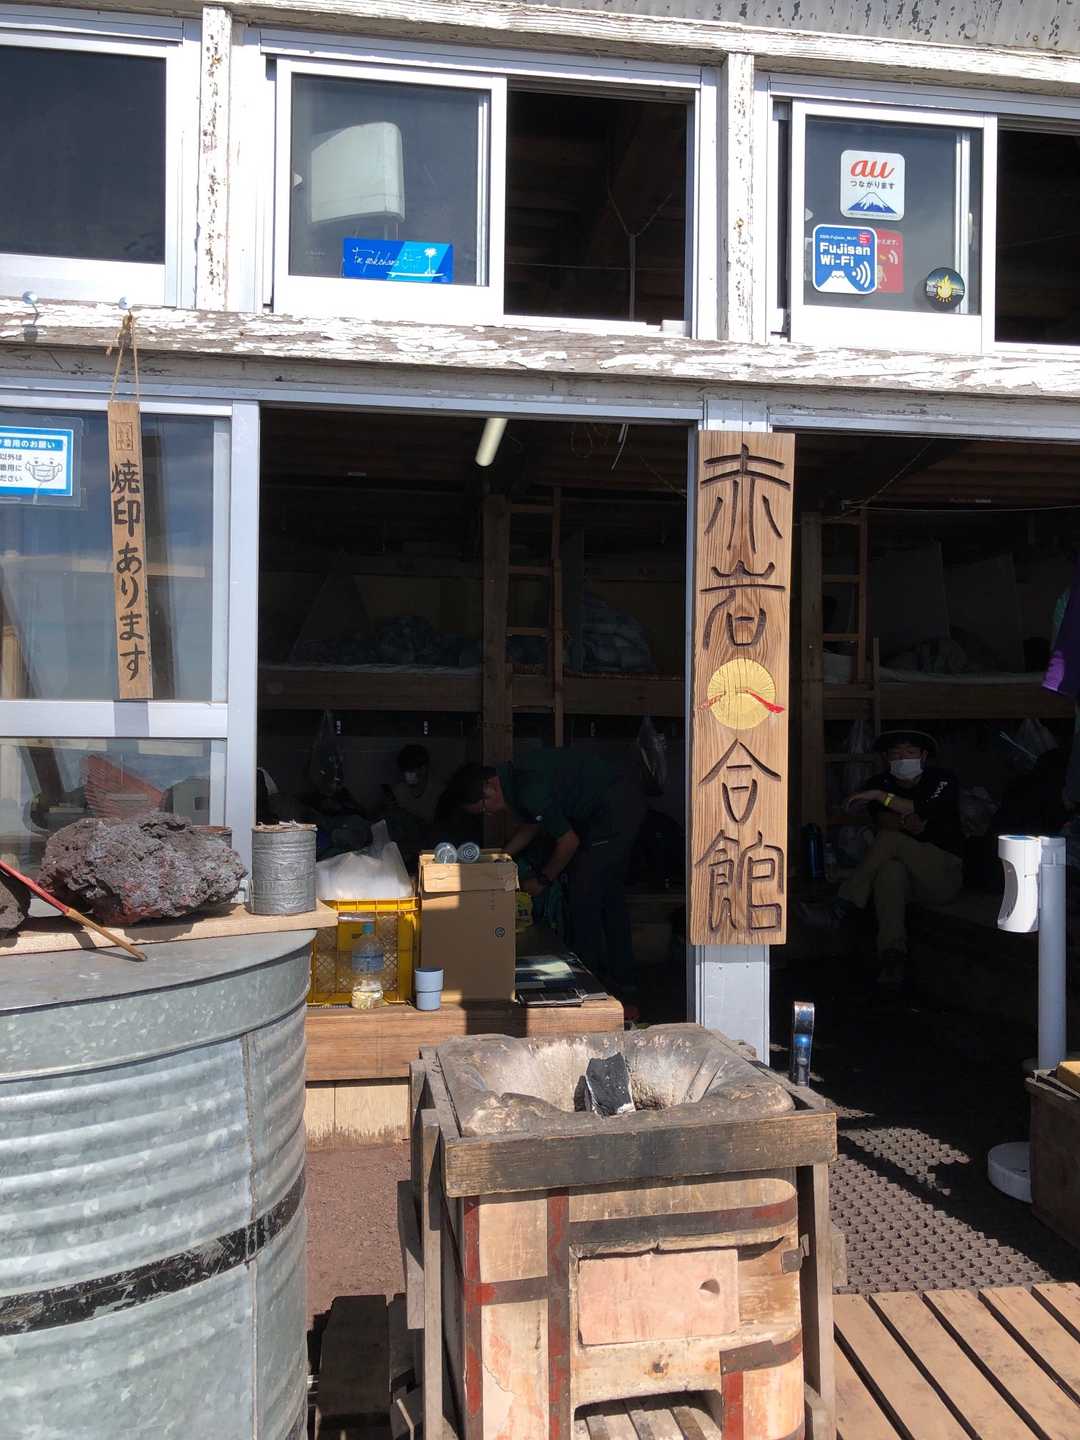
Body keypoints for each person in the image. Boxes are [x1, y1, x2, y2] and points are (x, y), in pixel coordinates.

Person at [444, 750, 643, 995]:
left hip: (615, 811)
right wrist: (501, 858)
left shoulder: (527, 788)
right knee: (609, 897)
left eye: (484, 808)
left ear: (489, 788)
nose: (490, 813)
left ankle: (591, 984)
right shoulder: (515, 780)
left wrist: (543, 880)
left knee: (585, 895)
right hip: (617, 803)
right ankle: (623, 979)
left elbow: (568, 842)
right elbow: (533, 824)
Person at [799, 730, 963, 988]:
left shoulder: (941, 780)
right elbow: (892, 822)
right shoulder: (881, 781)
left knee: (891, 840)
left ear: (923, 756)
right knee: (889, 872)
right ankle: (892, 958)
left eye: (909, 752)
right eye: (896, 753)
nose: (903, 758)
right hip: (909, 883)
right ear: (886, 758)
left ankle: (841, 907)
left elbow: (915, 813)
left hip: (943, 876)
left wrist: (880, 797)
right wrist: (904, 812)